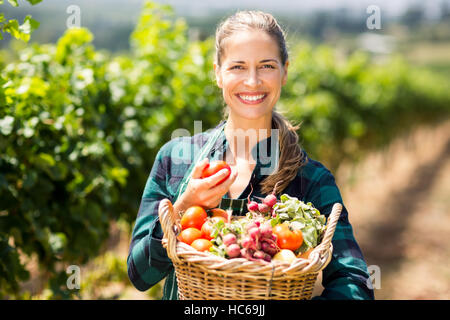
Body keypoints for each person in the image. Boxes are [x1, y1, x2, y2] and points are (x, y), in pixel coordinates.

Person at [127, 10, 375, 300]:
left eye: (267, 66)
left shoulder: (311, 179)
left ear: (285, 71)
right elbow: (139, 274)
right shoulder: (176, 158)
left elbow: (354, 281)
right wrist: (182, 208)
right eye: (238, 67)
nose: (253, 81)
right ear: (218, 74)